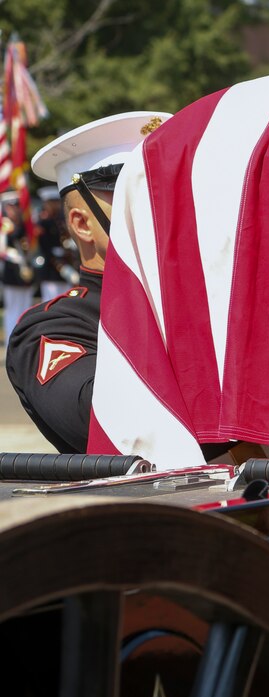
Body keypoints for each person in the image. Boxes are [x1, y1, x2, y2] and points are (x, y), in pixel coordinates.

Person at [6, 111, 170, 453]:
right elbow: (103, 422)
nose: (160, 205)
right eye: (132, 194)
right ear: (82, 224)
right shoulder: (55, 325)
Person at [1, 192, 36, 342]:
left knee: (26, 309)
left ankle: (23, 342)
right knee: (13, 310)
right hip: (11, 272)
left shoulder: (24, 225)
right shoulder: (4, 226)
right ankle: (10, 342)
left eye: (17, 206)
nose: (15, 210)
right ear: (6, 208)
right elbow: (2, 250)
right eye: (12, 207)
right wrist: (15, 256)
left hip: (26, 271)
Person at [35, 185, 79, 301]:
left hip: (66, 266)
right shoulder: (43, 224)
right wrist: (62, 267)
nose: (57, 205)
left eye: (57, 202)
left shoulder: (62, 221)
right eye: (52, 202)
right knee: (51, 302)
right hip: (51, 271)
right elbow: (45, 249)